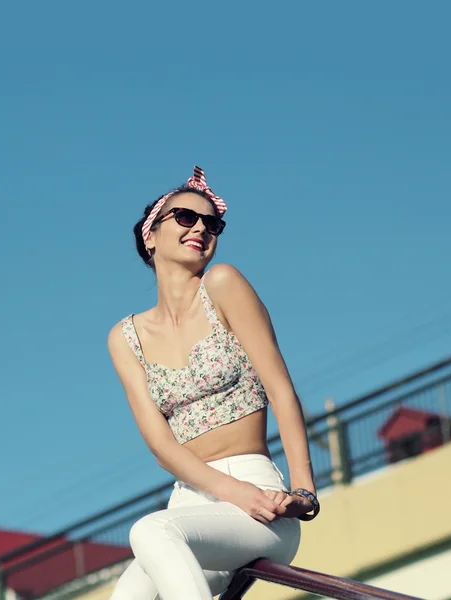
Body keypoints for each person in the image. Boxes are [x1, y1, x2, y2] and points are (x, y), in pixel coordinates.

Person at [107, 166, 319, 600]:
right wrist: (225, 491)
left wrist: (303, 491)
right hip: (187, 503)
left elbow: (281, 390)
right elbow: (162, 446)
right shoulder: (126, 337)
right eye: (185, 217)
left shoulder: (223, 285)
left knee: (150, 530)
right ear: (150, 236)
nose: (201, 227)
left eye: (212, 223)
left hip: (259, 500)